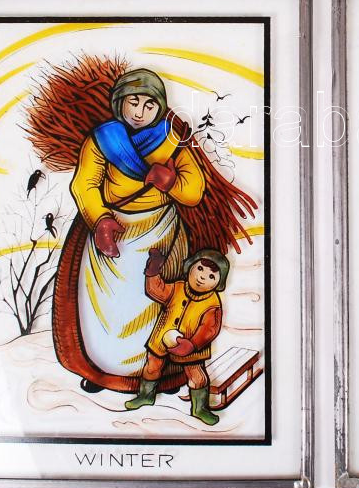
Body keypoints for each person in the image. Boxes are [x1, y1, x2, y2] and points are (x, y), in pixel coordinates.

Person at [53, 68, 206, 393]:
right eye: (133, 102)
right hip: (112, 231)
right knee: (104, 308)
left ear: (160, 107)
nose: (139, 112)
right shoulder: (102, 139)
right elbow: (85, 184)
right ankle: (103, 372)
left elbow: (194, 190)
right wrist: (100, 220)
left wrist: (171, 183)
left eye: (149, 105)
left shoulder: (172, 139)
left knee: (156, 304)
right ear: (119, 102)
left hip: (160, 231)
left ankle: (158, 375)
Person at [125, 248, 228, 425]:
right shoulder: (177, 287)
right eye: (200, 269)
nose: (202, 277)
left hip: (191, 346)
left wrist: (192, 344)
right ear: (190, 267)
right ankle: (146, 396)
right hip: (162, 338)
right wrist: (153, 271)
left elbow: (209, 329)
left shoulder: (212, 304)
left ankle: (200, 408)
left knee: (197, 376)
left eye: (211, 276)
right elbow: (156, 290)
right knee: (152, 367)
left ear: (219, 283)